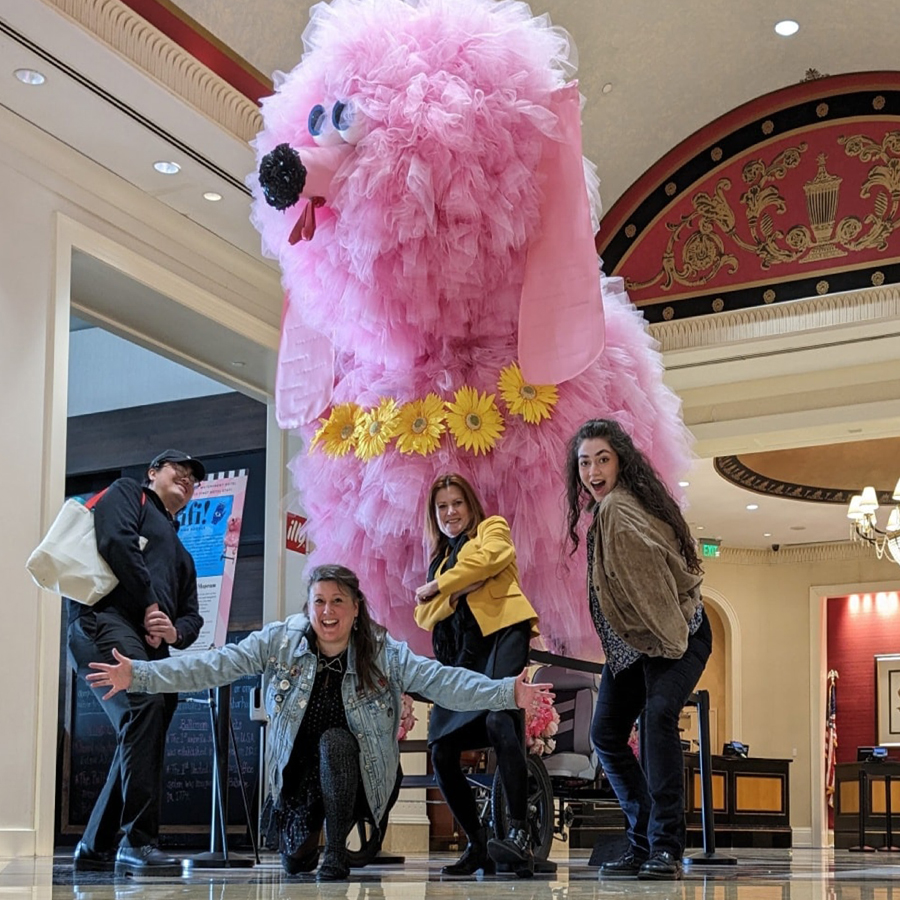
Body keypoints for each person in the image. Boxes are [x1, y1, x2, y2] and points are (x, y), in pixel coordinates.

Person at [86, 563, 554, 882]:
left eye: (338, 602)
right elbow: (214, 665)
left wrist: (505, 691)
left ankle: (339, 849)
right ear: (309, 606)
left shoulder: (382, 651)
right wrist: (140, 674)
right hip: (300, 779)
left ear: (355, 609)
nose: (327, 612)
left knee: (335, 740)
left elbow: (441, 680)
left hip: (360, 776)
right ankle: (309, 841)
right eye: (319, 602)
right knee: (294, 863)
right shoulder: (279, 642)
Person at [564, 419, 712, 881]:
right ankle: (644, 839)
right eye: (584, 462)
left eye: (602, 458)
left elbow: (657, 591)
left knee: (657, 717)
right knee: (606, 733)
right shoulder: (613, 507)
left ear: (620, 460)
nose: (592, 470)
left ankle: (664, 847)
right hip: (637, 645)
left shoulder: (619, 512)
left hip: (675, 635)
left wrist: (666, 649)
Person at [67, 449, 205, 877]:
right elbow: (115, 541)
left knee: (147, 724)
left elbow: (192, 616)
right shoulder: (129, 494)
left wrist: (174, 632)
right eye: (176, 470)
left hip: (151, 648)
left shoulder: (182, 553)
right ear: (152, 473)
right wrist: (148, 604)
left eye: (192, 478)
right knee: (144, 706)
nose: (186, 478)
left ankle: (95, 845)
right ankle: (138, 843)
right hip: (102, 621)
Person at [413, 474, 539, 877]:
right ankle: (477, 844)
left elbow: (492, 558)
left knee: (503, 720)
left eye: (457, 504)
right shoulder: (440, 558)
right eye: (442, 506)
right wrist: (460, 587)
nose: (451, 513)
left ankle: (518, 830)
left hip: (503, 635)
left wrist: (440, 587)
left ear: (471, 505)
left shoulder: (492, 527)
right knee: (441, 750)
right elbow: (422, 615)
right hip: (463, 656)